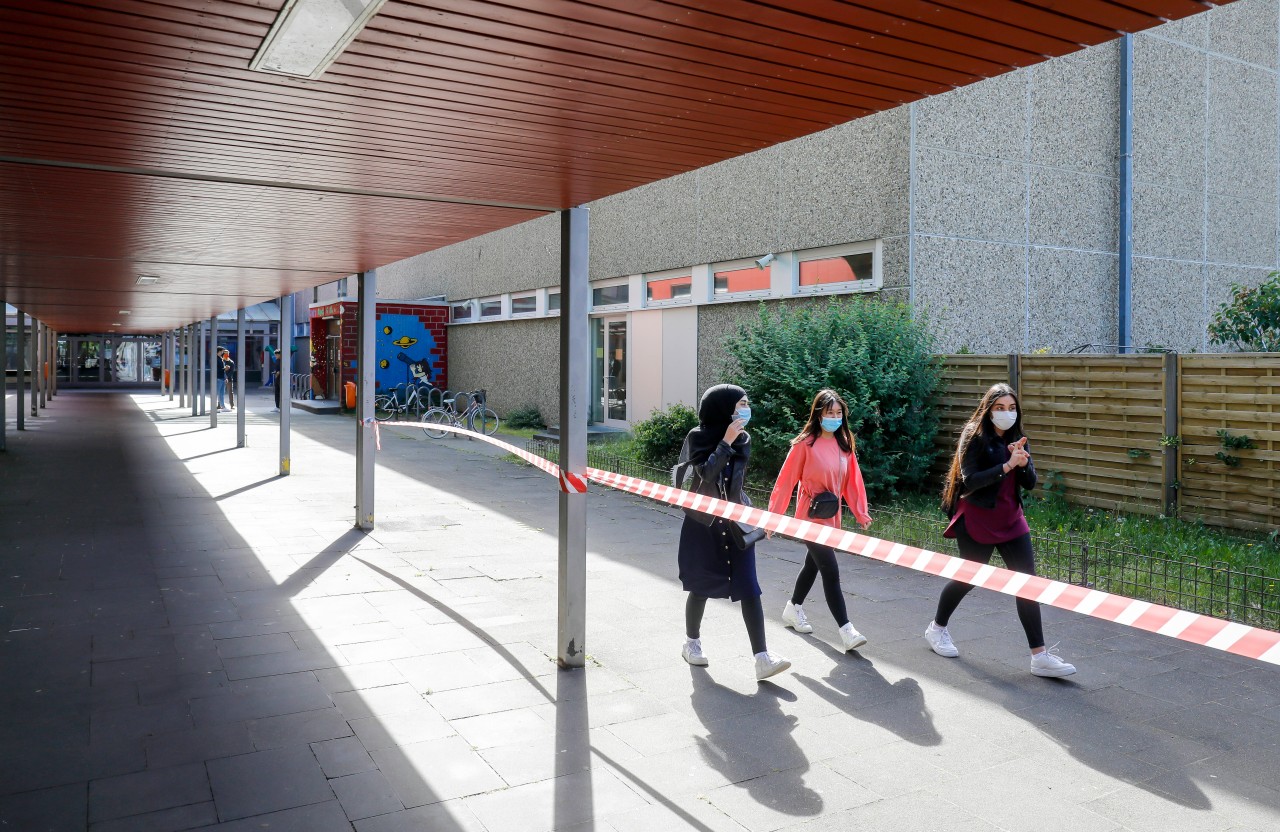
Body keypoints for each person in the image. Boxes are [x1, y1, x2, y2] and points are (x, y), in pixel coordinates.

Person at [926, 383, 1077, 677]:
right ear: (988, 409)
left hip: (1011, 519)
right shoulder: (974, 435)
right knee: (968, 578)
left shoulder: (1016, 438)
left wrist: (1021, 463)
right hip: (979, 518)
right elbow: (970, 479)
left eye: (1011, 408)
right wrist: (1007, 466)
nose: (1007, 413)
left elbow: (1030, 483)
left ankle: (1040, 657)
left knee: (1027, 584)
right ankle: (936, 629)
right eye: (1000, 408)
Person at [675, 384, 790, 681]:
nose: (745, 409)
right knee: (701, 586)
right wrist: (724, 443)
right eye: (740, 404)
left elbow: (736, 486)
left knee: (749, 586)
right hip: (704, 524)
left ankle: (762, 658)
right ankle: (692, 643)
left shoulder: (744, 438)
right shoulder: (698, 437)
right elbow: (707, 476)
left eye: (746, 404)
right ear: (723, 408)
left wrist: (755, 517)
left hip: (736, 522)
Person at [768, 389, 873, 652]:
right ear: (818, 415)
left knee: (812, 566)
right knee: (830, 570)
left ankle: (793, 608)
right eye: (830, 413)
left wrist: (861, 512)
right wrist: (774, 518)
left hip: (831, 516)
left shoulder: (844, 442)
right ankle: (846, 630)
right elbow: (785, 482)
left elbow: (853, 481)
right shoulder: (805, 444)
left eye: (839, 413)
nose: (835, 418)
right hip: (809, 517)